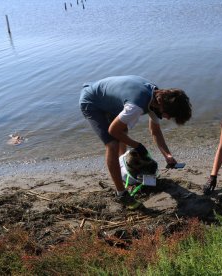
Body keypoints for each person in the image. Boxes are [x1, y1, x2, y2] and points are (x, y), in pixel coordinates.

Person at [79, 75, 192, 204]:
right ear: (162, 107)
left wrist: (167, 155)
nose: (167, 118)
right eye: (169, 115)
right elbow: (113, 131)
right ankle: (121, 193)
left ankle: (122, 167)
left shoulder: (158, 97)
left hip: (109, 99)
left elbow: (155, 132)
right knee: (112, 143)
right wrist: (137, 145)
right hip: (91, 101)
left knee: (123, 130)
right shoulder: (136, 106)